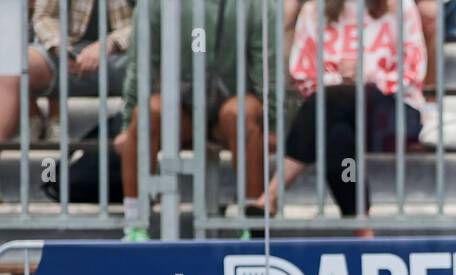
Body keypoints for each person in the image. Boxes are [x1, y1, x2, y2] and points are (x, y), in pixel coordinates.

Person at [250, 0, 426, 237]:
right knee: (337, 135)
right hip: (332, 110)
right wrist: (340, 82)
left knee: (330, 103)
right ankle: (362, 229)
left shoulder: (400, 7)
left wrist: (366, 73)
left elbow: (414, 71)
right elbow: (303, 76)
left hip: (392, 113)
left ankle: (272, 194)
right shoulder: (315, 11)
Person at [115, 0, 268, 240]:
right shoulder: (154, 4)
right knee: (146, 114)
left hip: (230, 105)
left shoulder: (253, 4)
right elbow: (141, 66)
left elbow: (264, 66)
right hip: (180, 109)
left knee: (241, 114)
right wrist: (127, 126)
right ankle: (135, 224)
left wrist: (275, 124)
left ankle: (253, 225)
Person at [0, 0, 133, 143]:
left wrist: (110, 43)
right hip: (71, 53)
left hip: (129, 56)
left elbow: (151, 20)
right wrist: (59, 45)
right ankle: (34, 120)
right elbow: (44, 16)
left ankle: (52, 119)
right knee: (11, 61)